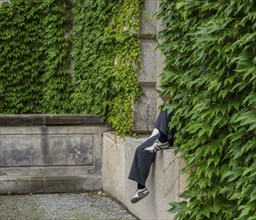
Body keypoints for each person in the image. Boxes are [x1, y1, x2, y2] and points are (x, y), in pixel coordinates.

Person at [128, 110, 175, 203]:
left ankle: (162, 141)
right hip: (163, 134)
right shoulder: (170, 109)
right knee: (141, 149)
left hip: (172, 135)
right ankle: (141, 189)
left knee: (166, 107)